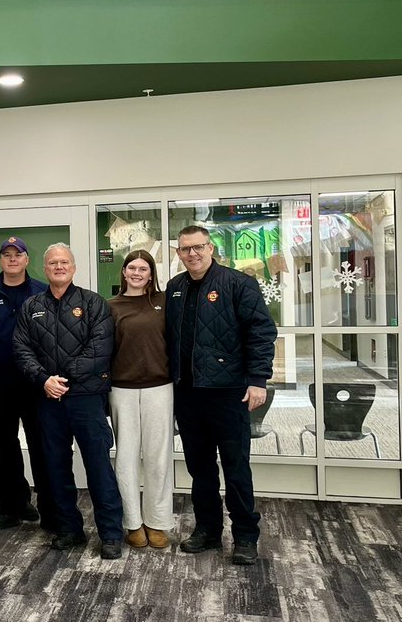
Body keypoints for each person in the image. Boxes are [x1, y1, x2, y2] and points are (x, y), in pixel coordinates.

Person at [166, 226, 276, 565]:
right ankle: (208, 531)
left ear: (210, 248)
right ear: (179, 254)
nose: (192, 254)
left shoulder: (238, 283)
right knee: (200, 469)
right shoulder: (175, 288)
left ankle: (245, 536)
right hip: (188, 393)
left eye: (198, 247)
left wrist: (258, 379)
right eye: (185, 249)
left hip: (229, 393)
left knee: (235, 467)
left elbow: (261, 332)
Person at [13, 243, 124, 559]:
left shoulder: (94, 303)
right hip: (48, 400)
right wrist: (44, 380)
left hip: (87, 400)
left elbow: (100, 350)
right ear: (44, 269)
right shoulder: (32, 306)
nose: (58, 267)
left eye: (64, 262)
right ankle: (69, 530)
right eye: (52, 263)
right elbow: (21, 349)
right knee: (55, 468)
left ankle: (111, 534)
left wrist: (61, 378)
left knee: (99, 466)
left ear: (73, 267)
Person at [0, 236, 55, 532]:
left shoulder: (42, 292)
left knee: (41, 448)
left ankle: (50, 509)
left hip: (35, 386)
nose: (11, 259)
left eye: (17, 254)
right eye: (6, 255)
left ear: (26, 260)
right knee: (4, 450)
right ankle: (11, 507)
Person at [107, 250, 173, 550]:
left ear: (151, 273)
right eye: (131, 267)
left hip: (160, 386)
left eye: (142, 268)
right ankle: (133, 523)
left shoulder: (163, 301)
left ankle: (157, 521)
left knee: (158, 456)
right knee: (126, 457)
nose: (136, 272)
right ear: (123, 272)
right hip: (122, 388)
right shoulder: (111, 306)